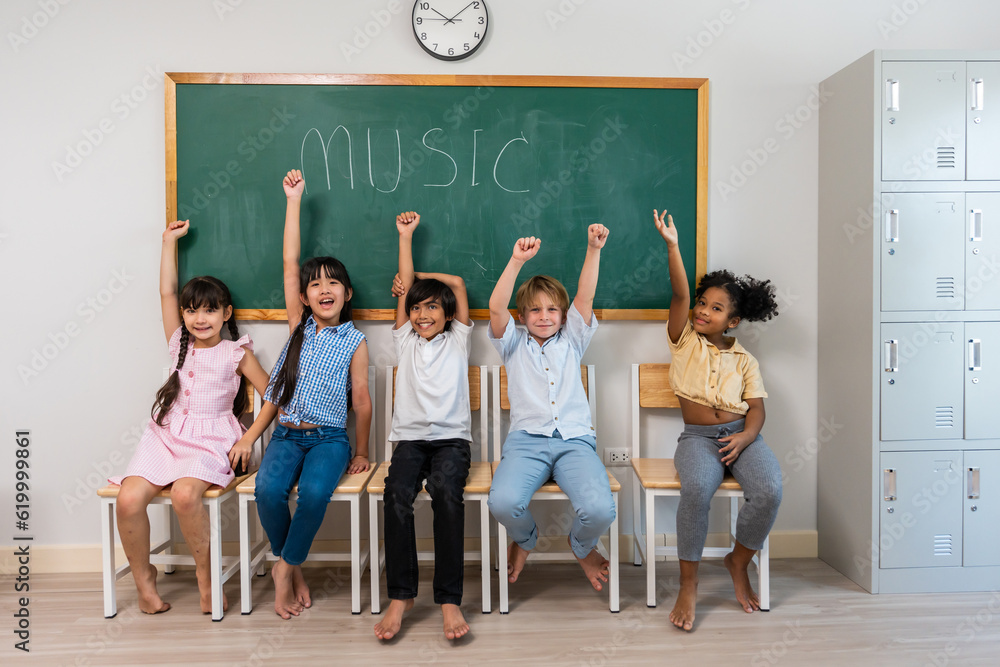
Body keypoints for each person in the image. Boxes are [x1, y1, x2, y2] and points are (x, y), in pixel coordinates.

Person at [111, 219, 276, 615]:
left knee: (185, 496)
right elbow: (166, 291)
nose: (200, 319)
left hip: (213, 437)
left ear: (225, 313)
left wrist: (248, 437)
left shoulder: (237, 353)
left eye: (209, 310)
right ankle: (143, 579)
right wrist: (168, 242)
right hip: (166, 435)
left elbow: (273, 395)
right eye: (192, 311)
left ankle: (207, 577)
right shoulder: (178, 343)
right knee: (128, 499)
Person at [653, 209, 782, 631]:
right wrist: (673, 246)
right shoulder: (683, 340)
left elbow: (758, 409)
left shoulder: (745, 359)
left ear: (734, 320)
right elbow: (677, 296)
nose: (704, 311)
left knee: (769, 490)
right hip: (698, 440)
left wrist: (746, 437)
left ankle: (738, 561)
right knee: (696, 488)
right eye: (703, 303)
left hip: (742, 437)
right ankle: (688, 584)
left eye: (716, 307)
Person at [255, 169, 372, 620]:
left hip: (328, 439)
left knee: (315, 494)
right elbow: (289, 263)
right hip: (286, 435)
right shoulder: (298, 327)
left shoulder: (354, 341)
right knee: (268, 491)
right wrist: (293, 201)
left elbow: (360, 401)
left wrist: (361, 451)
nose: (324, 289)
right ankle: (293, 566)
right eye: (315, 284)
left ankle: (283, 568)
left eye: (333, 283)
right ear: (304, 297)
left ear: (347, 294)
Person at [486, 224, 616, 593]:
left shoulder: (572, 339)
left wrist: (593, 249)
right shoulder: (512, 344)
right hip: (526, 442)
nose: (544, 316)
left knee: (601, 510)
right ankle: (525, 540)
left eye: (552, 309)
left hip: (575, 441)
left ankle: (582, 547)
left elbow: (585, 297)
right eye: (534, 310)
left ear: (562, 314)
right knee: (504, 503)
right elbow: (497, 307)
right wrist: (516, 261)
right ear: (523, 316)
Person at [373, 211, 473, 641]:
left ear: (447, 313)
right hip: (410, 442)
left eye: (431, 306)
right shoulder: (404, 339)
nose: (421, 314)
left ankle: (449, 600)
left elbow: (459, 285)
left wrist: (424, 278)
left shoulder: (459, 338)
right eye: (415, 307)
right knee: (396, 494)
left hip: (452, 442)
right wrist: (405, 237)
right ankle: (401, 595)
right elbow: (408, 293)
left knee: (447, 496)